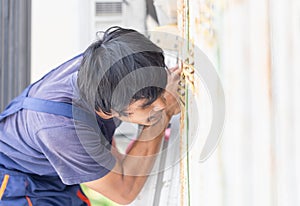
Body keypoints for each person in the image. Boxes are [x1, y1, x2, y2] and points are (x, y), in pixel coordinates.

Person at [0, 27, 181, 205]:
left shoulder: (108, 64)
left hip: (42, 151)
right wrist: (163, 117)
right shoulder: (63, 131)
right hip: (16, 184)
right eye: (147, 104)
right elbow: (125, 191)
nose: (162, 103)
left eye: (160, 91)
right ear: (107, 112)